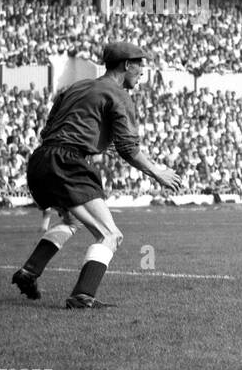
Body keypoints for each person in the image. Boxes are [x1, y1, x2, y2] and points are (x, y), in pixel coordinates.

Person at [11, 41, 182, 309]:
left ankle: (30, 271)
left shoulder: (74, 87)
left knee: (71, 222)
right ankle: (83, 295)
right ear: (127, 65)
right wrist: (158, 173)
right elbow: (129, 148)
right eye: (140, 66)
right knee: (110, 235)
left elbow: (50, 130)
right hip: (68, 163)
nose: (142, 73)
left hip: (40, 161)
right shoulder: (118, 94)